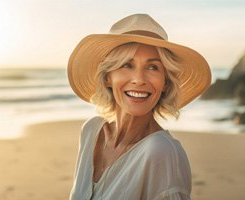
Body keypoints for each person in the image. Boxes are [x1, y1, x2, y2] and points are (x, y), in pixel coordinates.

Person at [67, 14, 211, 200]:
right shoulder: (90, 131)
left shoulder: (162, 152)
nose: (139, 79)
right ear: (107, 77)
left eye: (153, 68)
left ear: (165, 82)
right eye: (127, 65)